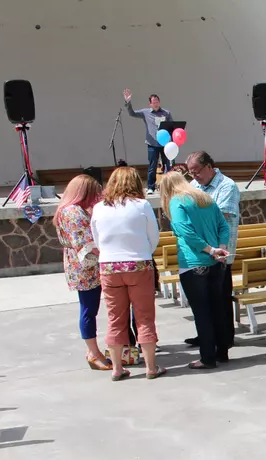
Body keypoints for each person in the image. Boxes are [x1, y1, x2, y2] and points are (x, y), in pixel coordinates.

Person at [91, 167, 165, 381]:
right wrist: (142, 252)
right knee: (144, 317)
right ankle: (151, 367)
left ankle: (117, 368)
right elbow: (153, 237)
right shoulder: (142, 205)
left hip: (109, 266)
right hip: (138, 264)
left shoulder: (98, 208)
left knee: (115, 318)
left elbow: (97, 239)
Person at [159, 172, 232, 369]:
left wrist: (209, 249)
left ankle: (207, 358)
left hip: (193, 263)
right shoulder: (204, 197)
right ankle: (222, 352)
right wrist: (220, 247)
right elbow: (224, 226)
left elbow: (185, 231)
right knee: (217, 308)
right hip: (217, 262)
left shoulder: (176, 201)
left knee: (202, 313)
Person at [53, 174, 110, 371]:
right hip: (85, 267)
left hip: (78, 266)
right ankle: (94, 352)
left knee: (89, 308)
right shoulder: (74, 212)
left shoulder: (65, 210)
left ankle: (93, 351)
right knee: (88, 309)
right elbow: (86, 245)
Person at [185, 152, 241, 349]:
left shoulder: (227, 186)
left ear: (209, 166)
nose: (194, 176)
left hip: (221, 252)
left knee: (220, 297)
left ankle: (225, 339)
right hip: (202, 252)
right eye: (190, 173)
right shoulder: (193, 186)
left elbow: (221, 217)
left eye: (197, 171)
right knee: (203, 298)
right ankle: (207, 336)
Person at [123, 89, 173, 194]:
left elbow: (172, 127)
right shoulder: (145, 112)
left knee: (167, 165)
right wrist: (128, 102)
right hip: (152, 143)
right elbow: (132, 113)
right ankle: (151, 187)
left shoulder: (166, 113)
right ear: (150, 104)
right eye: (153, 102)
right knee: (152, 166)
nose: (156, 104)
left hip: (165, 144)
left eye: (157, 102)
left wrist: (172, 141)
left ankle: (169, 187)